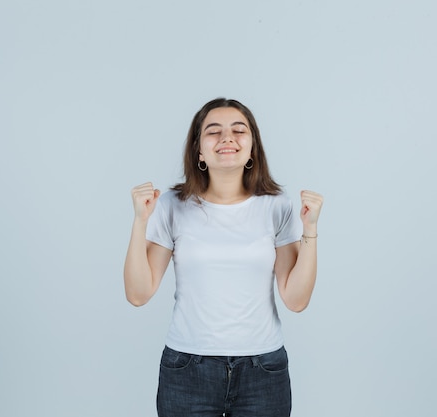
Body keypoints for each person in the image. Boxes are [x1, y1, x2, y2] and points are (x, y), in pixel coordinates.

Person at [123, 98, 323, 417]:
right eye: (214, 131)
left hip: (263, 372)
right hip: (187, 370)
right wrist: (139, 221)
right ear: (199, 151)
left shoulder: (278, 206)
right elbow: (138, 293)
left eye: (238, 130)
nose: (227, 138)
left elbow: (296, 300)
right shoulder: (172, 204)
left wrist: (309, 229)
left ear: (252, 148)